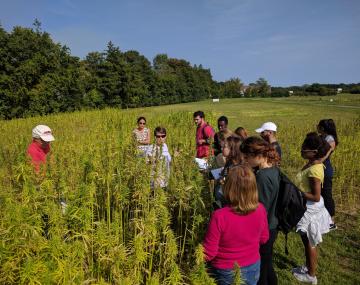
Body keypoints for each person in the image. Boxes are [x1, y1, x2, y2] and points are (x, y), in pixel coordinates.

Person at [203, 165, 269, 285]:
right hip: (253, 265)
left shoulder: (219, 216)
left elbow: (209, 253)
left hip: (226, 270)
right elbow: (264, 238)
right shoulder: (261, 209)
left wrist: (195, 255)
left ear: (229, 188)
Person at [292, 132, 332, 285]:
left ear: (314, 151)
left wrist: (296, 192)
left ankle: (311, 275)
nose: (301, 150)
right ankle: (309, 267)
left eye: (304, 148)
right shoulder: (314, 161)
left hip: (310, 209)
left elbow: (315, 195)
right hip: (307, 206)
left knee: (309, 241)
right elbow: (326, 149)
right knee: (307, 241)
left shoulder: (315, 170)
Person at [240, 137, 280, 285]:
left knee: (261, 270)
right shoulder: (273, 169)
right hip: (272, 223)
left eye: (246, 157)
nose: (245, 160)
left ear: (257, 156)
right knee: (267, 263)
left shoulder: (262, 176)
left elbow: (260, 208)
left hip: (265, 228)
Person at [317, 119, 338, 229]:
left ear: (323, 128)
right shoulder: (321, 137)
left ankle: (331, 221)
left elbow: (325, 154)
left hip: (325, 170)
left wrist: (318, 160)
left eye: (318, 125)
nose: (317, 126)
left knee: (327, 195)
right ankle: (322, 218)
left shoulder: (330, 139)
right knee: (319, 194)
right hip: (319, 168)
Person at [214, 136, 243, 207]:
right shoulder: (229, 162)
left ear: (232, 149)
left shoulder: (238, 169)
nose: (221, 148)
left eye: (224, 147)